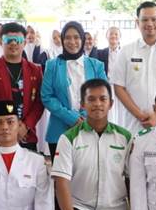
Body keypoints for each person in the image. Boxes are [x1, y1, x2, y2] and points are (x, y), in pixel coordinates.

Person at [51, 79, 133, 210]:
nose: (97, 104)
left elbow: (132, 179)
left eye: (103, 99)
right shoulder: (69, 138)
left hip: (115, 209)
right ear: (82, 104)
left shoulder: (124, 137)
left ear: (111, 103)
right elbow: (61, 183)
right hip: (82, 207)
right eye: (91, 99)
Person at [111, 1, 156, 135]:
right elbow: (118, 87)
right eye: (144, 19)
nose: (149, 24)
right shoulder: (126, 51)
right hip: (132, 124)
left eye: (154, 19)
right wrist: (140, 115)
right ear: (137, 22)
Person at [41, 21, 107, 156]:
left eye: (76, 37)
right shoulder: (52, 65)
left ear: (82, 39)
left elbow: (102, 95)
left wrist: (84, 117)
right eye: (67, 37)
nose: (72, 41)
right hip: (59, 130)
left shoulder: (96, 65)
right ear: (62, 40)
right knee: (62, 176)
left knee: (89, 175)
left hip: (91, 126)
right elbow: (46, 96)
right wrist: (71, 117)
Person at [0, 22, 44, 151]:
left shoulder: (35, 70)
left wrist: (25, 126)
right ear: (1, 41)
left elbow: (39, 102)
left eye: (18, 40)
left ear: (24, 43)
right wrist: (9, 127)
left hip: (26, 134)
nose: (13, 43)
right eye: (8, 40)